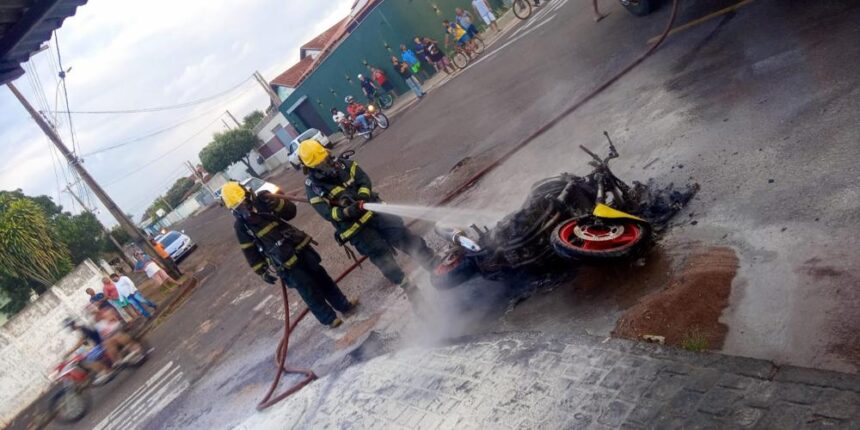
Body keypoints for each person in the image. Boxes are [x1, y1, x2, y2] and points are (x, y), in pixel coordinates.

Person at [298, 140, 437, 313]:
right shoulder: (313, 189)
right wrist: (347, 212)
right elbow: (329, 213)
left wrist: (362, 198)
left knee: (405, 237)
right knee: (383, 259)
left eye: (325, 158)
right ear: (310, 168)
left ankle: (434, 265)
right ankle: (412, 291)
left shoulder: (345, 165)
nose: (325, 164)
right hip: (357, 230)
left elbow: (364, 181)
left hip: (377, 213)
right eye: (319, 164)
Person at [220, 181, 356, 328]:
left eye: (243, 203)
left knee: (323, 279)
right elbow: (249, 250)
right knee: (309, 291)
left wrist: (276, 202)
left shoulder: (263, 201)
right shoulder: (241, 226)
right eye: (238, 207)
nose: (244, 208)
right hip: (286, 264)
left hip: (301, 248)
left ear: (247, 195)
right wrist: (261, 270)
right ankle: (330, 319)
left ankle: (344, 305)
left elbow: (290, 213)